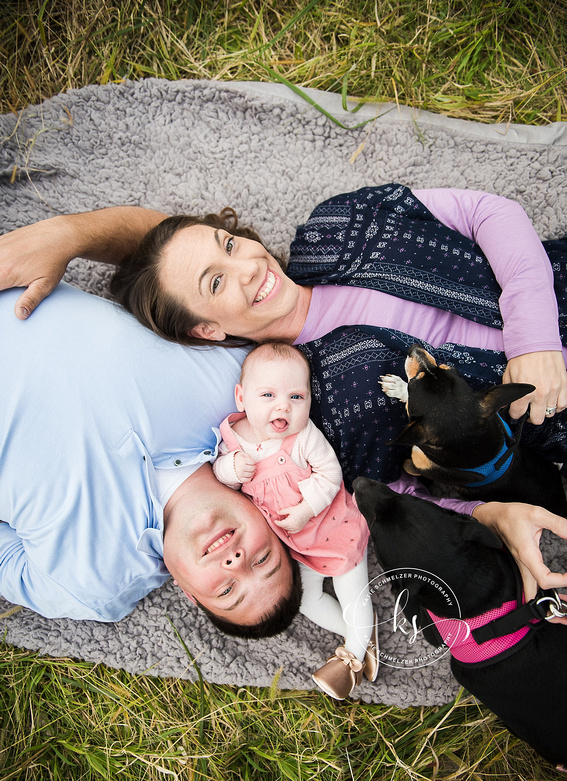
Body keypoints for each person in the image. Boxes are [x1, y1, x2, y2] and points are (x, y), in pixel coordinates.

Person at [2, 185, 567, 613]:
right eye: (216, 283)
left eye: (230, 245)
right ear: (206, 331)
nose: (250, 265)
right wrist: (489, 512)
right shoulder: (316, 409)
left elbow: (488, 212)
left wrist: (536, 339)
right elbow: (400, 488)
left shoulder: (336, 226)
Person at [0, 281, 301, 633]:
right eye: (263, 558)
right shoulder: (245, 388)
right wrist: (63, 240)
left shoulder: (93, 586)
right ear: (272, 523)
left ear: (189, 595)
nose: (236, 561)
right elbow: (189, 267)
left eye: (226, 589)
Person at [213, 341, 377, 699]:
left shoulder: (303, 437)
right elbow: (222, 477)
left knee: (353, 596)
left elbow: (330, 475)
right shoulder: (234, 439)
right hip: (296, 545)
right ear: (241, 398)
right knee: (306, 600)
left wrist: (306, 509)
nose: (282, 406)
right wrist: (228, 468)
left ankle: (350, 660)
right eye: (268, 394)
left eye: (296, 397)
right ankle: (362, 636)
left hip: (336, 529)